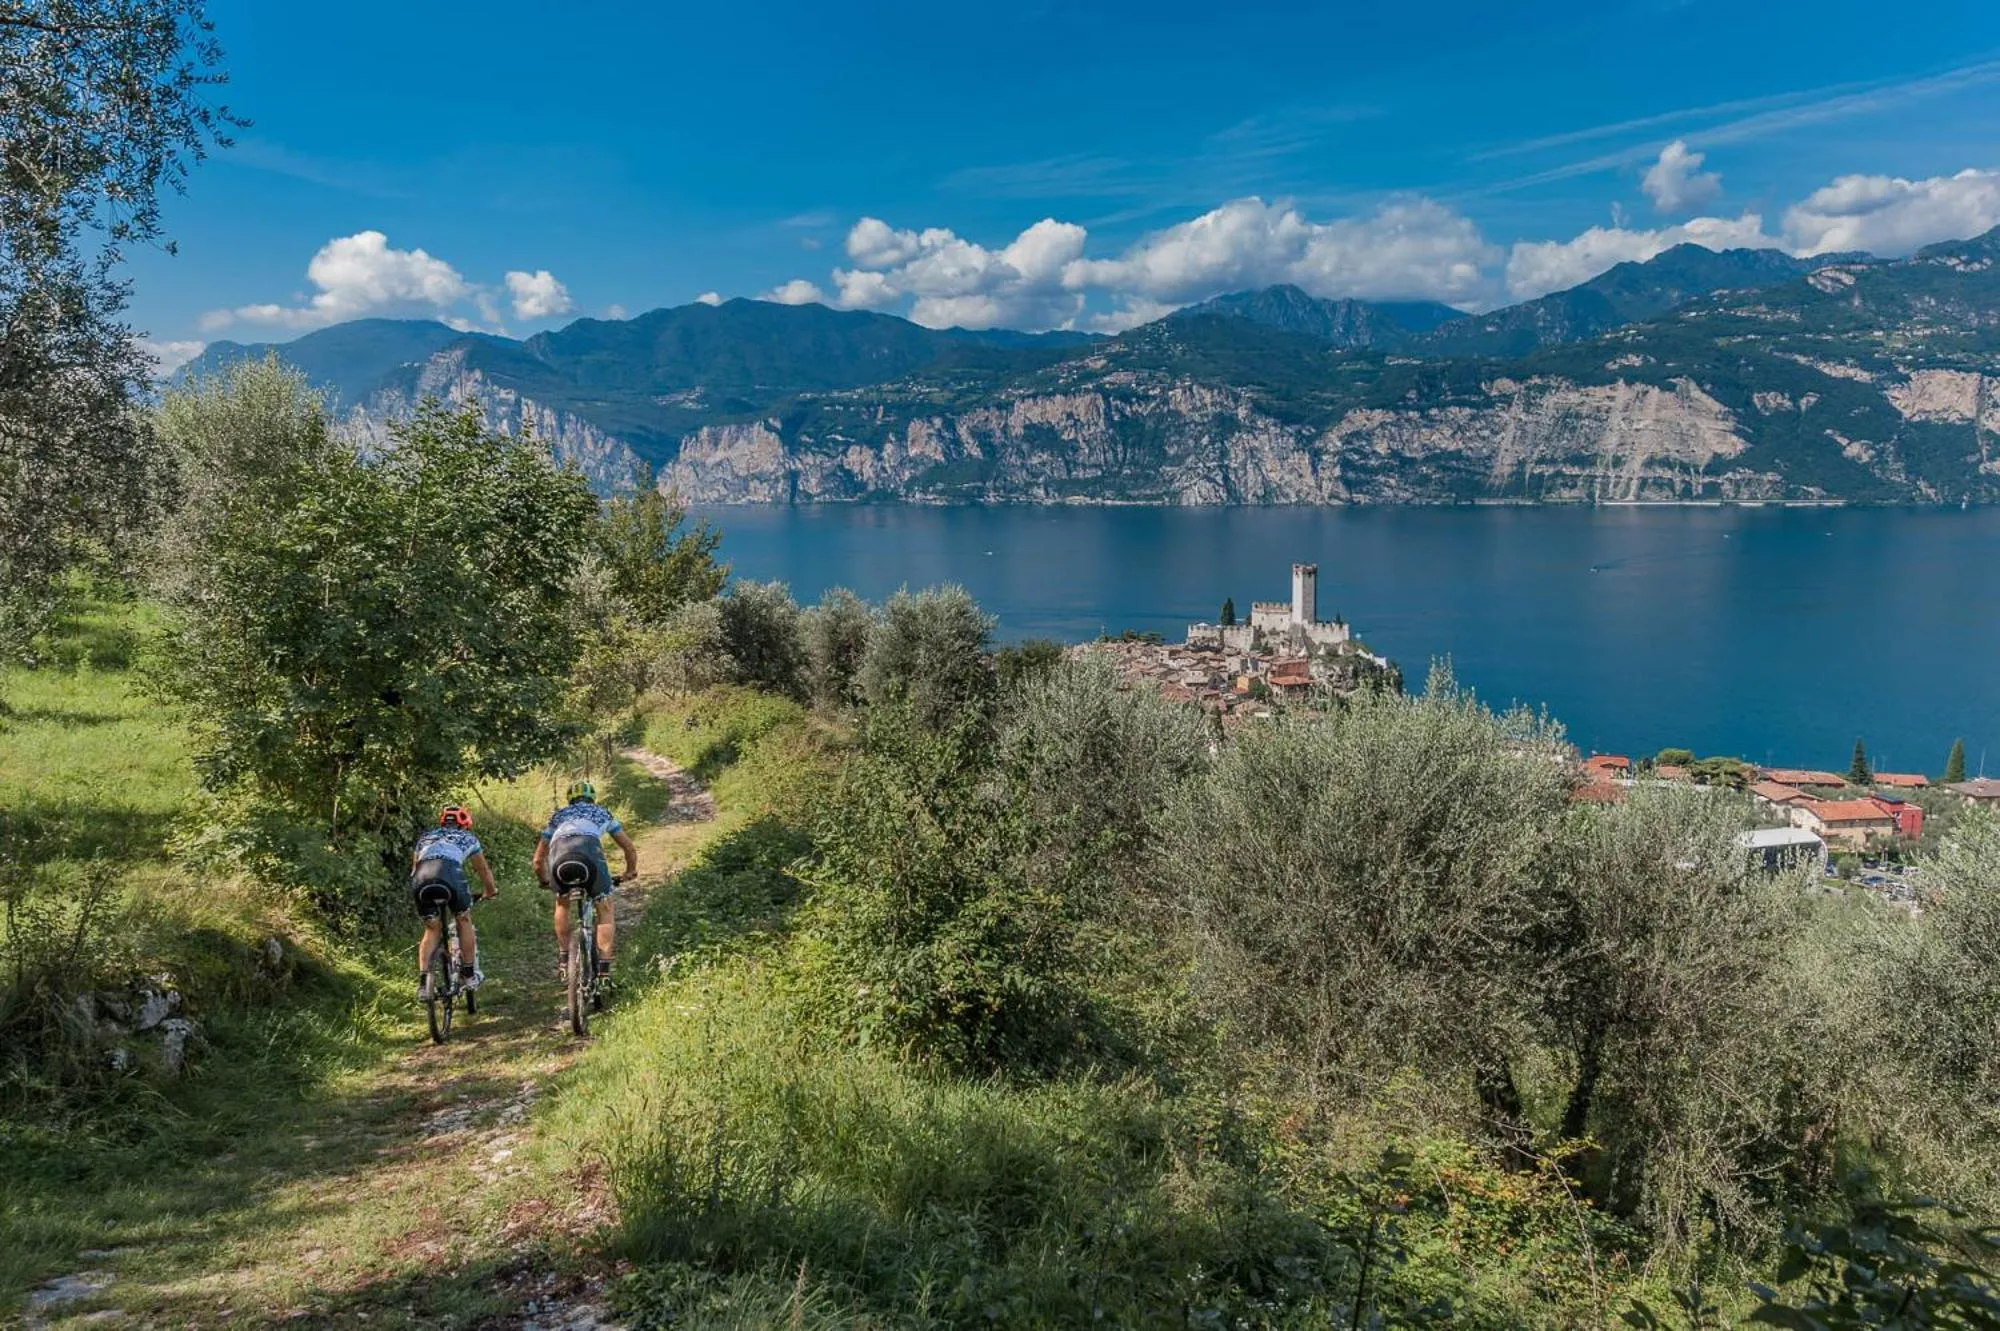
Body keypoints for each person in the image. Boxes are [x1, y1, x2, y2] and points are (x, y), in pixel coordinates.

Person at [532, 779, 638, 982]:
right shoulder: (602, 813)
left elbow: (538, 860)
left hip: (559, 860)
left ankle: (564, 960)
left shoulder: (558, 816)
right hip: (589, 856)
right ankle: (604, 972)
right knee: (604, 909)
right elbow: (629, 848)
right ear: (592, 798)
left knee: (561, 904)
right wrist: (630, 871)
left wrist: (545, 881)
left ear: (570, 800)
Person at [411, 805, 496, 999]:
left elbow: (414, 867)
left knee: (432, 928)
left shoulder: (425, 837)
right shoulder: (469, 838)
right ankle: (468, 974)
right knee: (463, 919)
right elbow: (482, 870)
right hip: (449, 874)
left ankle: (424, 984)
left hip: (421, 879)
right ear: (464, 824)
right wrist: (490, 891)